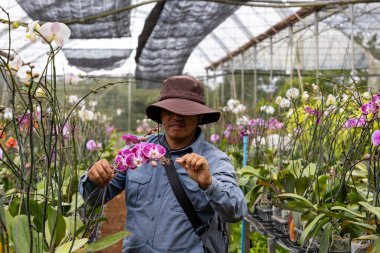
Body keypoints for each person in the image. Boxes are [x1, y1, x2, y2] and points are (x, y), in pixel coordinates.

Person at [79, 75, 247, 253]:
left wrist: (209, 184)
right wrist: (94, 178)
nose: (176, 116)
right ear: (160, 114)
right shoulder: (137, 151)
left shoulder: (214, 161)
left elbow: (236, 211)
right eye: (169, 110)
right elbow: (94, 198)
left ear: (200, 116)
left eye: (186, 110)